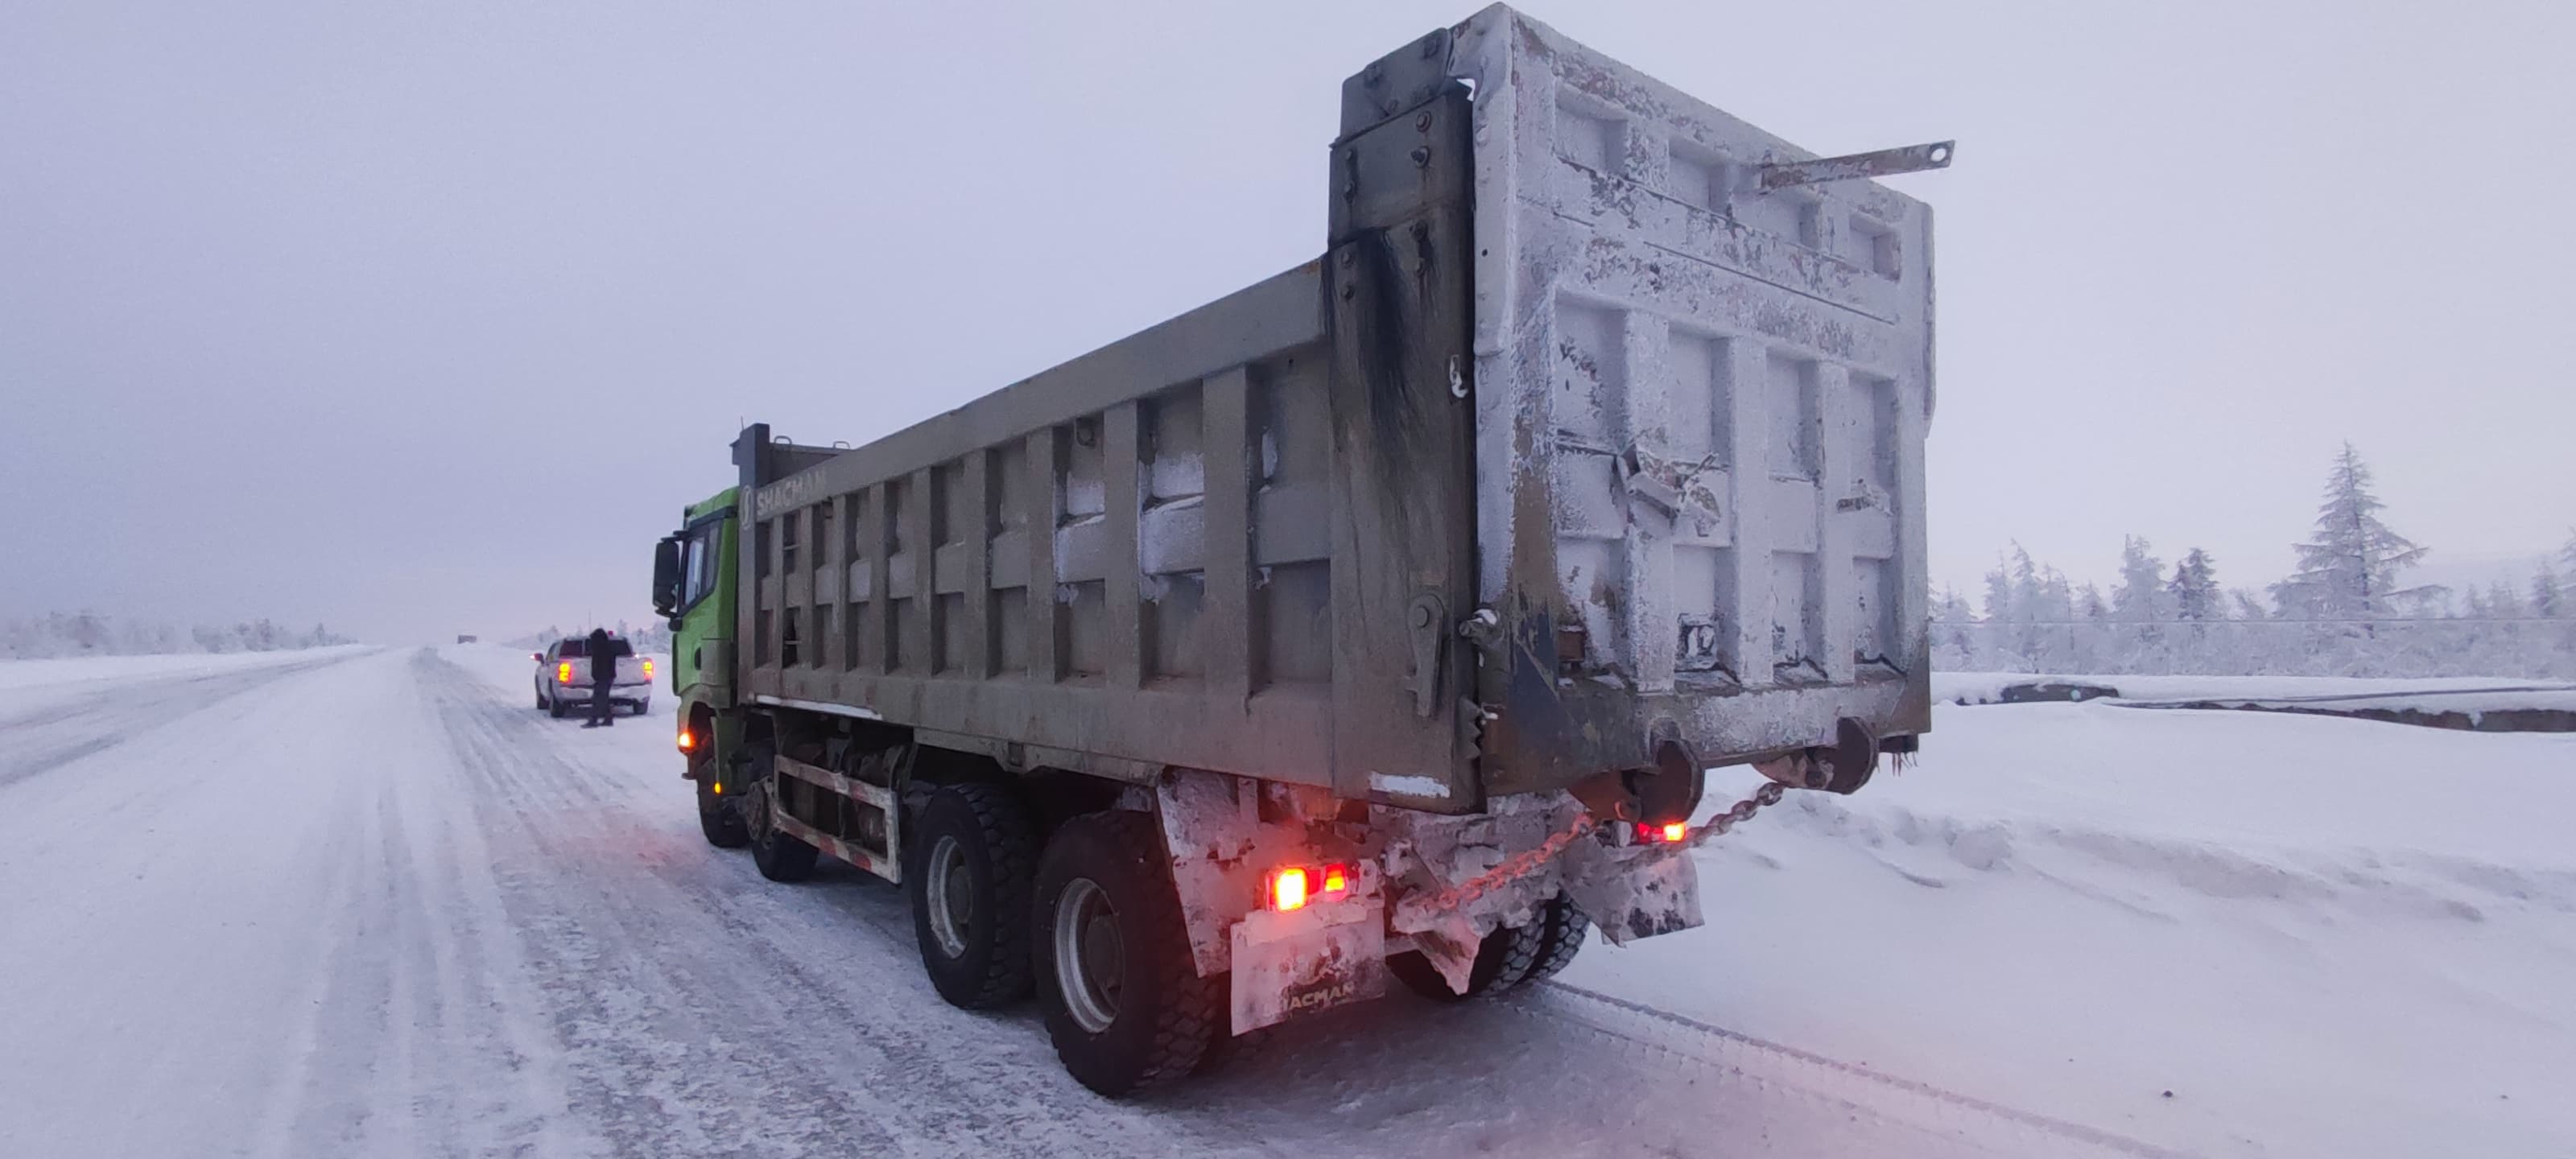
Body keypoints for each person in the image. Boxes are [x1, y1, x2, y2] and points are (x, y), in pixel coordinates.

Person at [582, 627, 617, 728]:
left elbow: (602, 664)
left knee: (597, 699)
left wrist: (599, 675)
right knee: (603, 698)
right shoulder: (606, 648)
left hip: (604, 677)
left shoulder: (602, 649)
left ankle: (593, 720)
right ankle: (608, 718)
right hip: (606, 676)